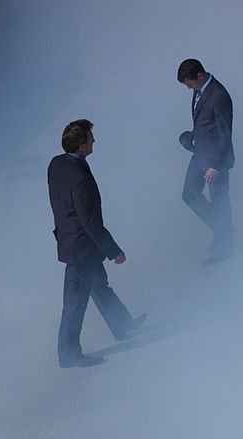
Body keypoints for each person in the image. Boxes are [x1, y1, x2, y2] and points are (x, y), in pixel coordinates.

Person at [47, 119, 146, 368]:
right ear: (81, 146)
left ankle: (122, 324)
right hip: (81, 248)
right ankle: (69, 354)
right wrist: (114, 251)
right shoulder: (80, 178)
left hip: (75, 242)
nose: (94, 141)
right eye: (91, 138)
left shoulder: (57, 164)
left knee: (100, 286)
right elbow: (89, 221)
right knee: (74, 304)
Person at [177, 59, 235, 264]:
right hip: (199, 154)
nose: (187, 87)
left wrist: (216, 165)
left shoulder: (218, 95)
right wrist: (192, 137)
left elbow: (224, 133)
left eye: (189, 83)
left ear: (200, 76)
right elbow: (205, 121)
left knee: (219, 201)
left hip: (215, 160)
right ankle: (223, 230)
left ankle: (225, 244)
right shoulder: (200, 89)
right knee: (189, 194)